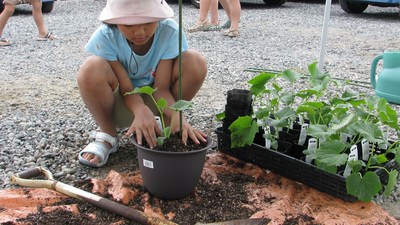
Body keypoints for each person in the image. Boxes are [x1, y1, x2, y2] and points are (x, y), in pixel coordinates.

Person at [77, 0, 208, 167]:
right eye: (128, 24)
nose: (139, 32)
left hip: (157, 100)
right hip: (120, 102)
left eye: (147, 22)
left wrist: (177, 114)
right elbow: (126, 88)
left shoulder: (169, 32)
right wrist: (139, 109)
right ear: (114, 21)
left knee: (194, 61)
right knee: (90, 68)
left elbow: (161, 88)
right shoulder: (105, 36)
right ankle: (108, 136)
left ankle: (169, 127)